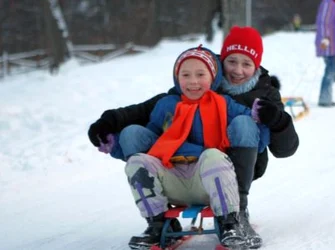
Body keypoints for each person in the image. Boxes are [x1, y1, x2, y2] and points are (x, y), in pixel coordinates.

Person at [88, 26, 300, 249]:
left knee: (241, 125)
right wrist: (109, 123)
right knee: (132, 133)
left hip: (233, 165)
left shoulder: (263, 93)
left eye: (246, 64)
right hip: (183, 166)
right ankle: (157, 218)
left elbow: (286, 149)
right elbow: (145, 111)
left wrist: (276, 120)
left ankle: (236, 214)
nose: (238, 70)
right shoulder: (198, 75)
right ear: (219, 64)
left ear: (256, 65)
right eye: (232, 61)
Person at [122, 45, 270, 249]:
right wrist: (118, 144)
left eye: (200, 74)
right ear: (177, 78)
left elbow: (253, 132)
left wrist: (262, 116)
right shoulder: (166, 105)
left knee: (213, 156)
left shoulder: (224, 103)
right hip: (173, 179)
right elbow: (151, 142)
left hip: (210, 182)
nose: (193, 81)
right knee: (137, 161)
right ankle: (157, 224)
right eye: (186, 75)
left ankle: (230, 222)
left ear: (212, 79)